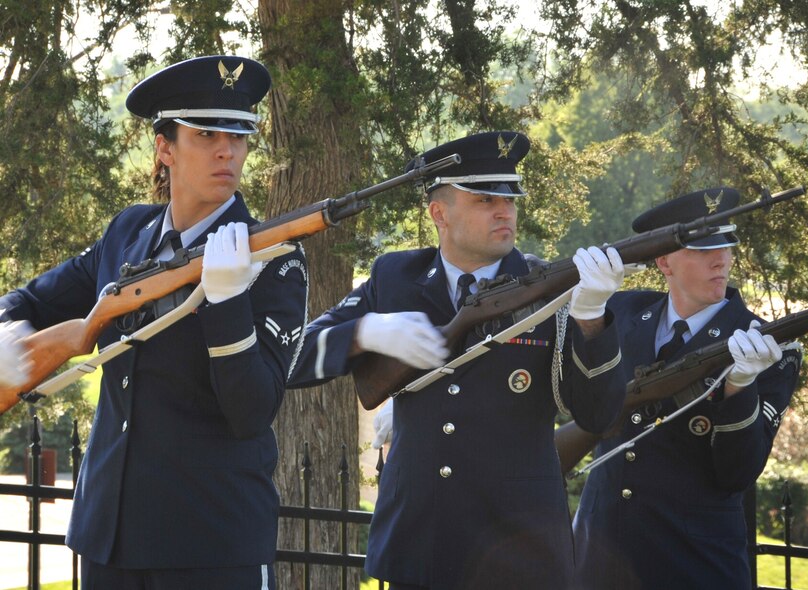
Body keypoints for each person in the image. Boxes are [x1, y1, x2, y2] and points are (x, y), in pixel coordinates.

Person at [0, 55, 308, 589]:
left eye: (239, 135)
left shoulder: (275, 259)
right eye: (207, 132)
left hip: (211, 541)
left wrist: (229, 301)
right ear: (164, 147)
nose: (226, 150)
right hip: (110, 535)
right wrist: (11, 337)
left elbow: (252, 410)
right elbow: (30, 300)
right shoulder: (127, 231)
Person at [288, 130, 627, 589]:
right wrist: (365, 332)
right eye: (485, 199)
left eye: (510, 198)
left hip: (517, 553)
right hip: (420, 543)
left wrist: (591, 320)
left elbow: (598, 414)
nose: (504, 209)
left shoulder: (549, 290)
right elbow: (292, 358)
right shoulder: (396, 278)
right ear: (439, 213)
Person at [560, 188, 802, 589]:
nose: (720, 259)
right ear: (663, 261)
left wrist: (740, 387)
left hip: (693, 566)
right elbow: (579, 402)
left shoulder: (768, 346)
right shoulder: (619, 313)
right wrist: (587, 312)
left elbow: (737, 473)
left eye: (726, 246)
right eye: (703, 249)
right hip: (598, 557)